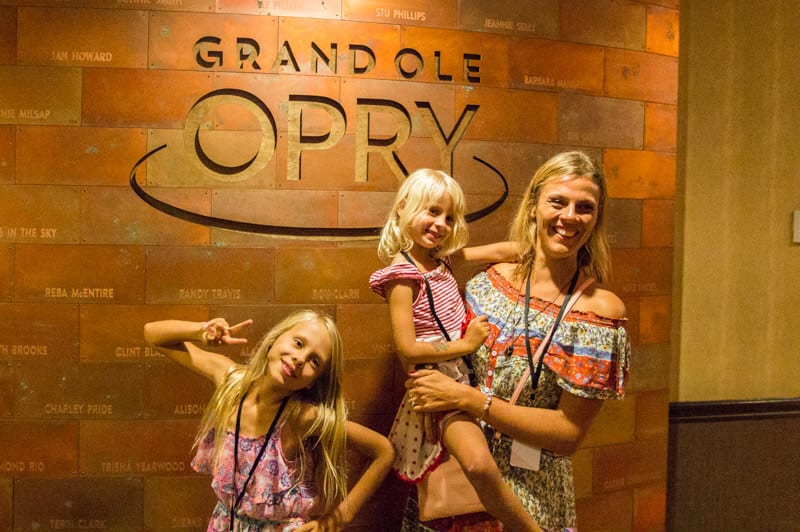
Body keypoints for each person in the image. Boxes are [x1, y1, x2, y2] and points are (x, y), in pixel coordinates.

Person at [403, 151, 631, 531]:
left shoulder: (599, 314)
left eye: (584, 207)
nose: (569, 216)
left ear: (597, 218)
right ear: (533, 207)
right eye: (557, 201)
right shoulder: (487, 284)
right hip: (454, 483)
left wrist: (470, 400)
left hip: (533, 497)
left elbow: (567, 434)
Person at [369, 168, 541, 531]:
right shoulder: (402, 276)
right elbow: (408, 349)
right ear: (403, 208)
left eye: (449, 217)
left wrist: (538, 251)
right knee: (478, 463)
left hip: (462, 373)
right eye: (431, 211)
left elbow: (502, 250)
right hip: (436, 379)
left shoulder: (442, 259)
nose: (441, 224)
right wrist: (465, 343)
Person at [143, 309, 394, 532]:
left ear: (314, 380)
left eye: (314, 361)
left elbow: (383, 451)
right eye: (298, 343)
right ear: (275, 339)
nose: (299, 358)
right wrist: (201, 332)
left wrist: (339, 518)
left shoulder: (301, 417)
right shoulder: (230, 380)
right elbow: (152, 334)